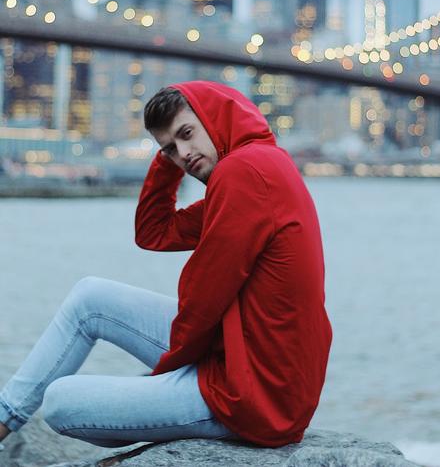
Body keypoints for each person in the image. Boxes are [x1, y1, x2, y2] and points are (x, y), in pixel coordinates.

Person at [0, 80, 332, 450]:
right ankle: (3, 417)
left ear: (215, 117)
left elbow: (203, 298)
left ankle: (8, 418)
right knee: (90, 297)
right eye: (170, 148)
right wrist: (171, 159)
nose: (184, 154)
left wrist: (161, 376)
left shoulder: (244, 173)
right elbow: (154, 231)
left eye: (187, 134)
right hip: (243, 356)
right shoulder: (260, 166)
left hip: (255, 394)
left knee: (60, 402)